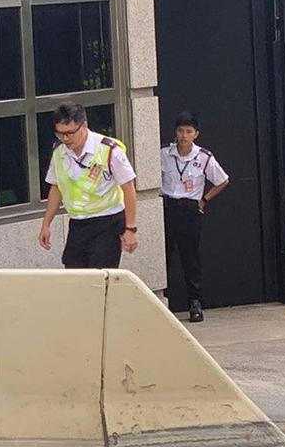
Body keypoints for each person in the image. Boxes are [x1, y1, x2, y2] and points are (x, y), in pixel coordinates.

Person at [37, 102, 139, 268]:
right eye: (60, 134)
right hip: (78, 223)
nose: (65, 139)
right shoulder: (59, 151)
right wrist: (46, 224)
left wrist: (130, 229)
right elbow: (56, 187)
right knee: (74, 274)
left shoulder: (109, 150)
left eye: (70, 133)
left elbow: (128, 188)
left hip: (107, 221)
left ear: (84, 125)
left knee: (99, 278)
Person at [161, 111, 230, 323]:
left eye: (188, 131)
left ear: (196, 134)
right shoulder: (164, 154)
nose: (184, 135)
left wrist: (205, 200)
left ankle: (195, 303)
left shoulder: (204, 157)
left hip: (190, 210)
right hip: (168, 206)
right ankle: (163, 303)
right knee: (164, 257)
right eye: (180, 130)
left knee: (190, 259)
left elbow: (222, 180)